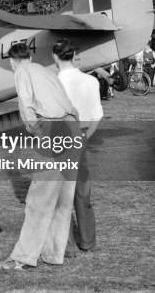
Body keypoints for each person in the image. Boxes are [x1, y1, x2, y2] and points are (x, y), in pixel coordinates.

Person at [0, 43, 79, 271]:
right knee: (63, 198)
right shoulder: (45, 70)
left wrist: (36, 132)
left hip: (52, 128)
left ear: (12, 61)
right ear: (29, 56)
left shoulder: (22, 72)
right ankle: (53, 253)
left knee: (38, 199)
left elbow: (26, 106)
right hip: (71, 125)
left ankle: (22, 258)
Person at [53, 39, 103, 255]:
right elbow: (96, 116)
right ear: (74, 56)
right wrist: (84, 137)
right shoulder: (91, 81)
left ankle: (64, 243)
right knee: (82, 192)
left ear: (55, 57)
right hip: (80, 134)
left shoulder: (52, 82)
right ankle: (87, 240)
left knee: (58, 193)